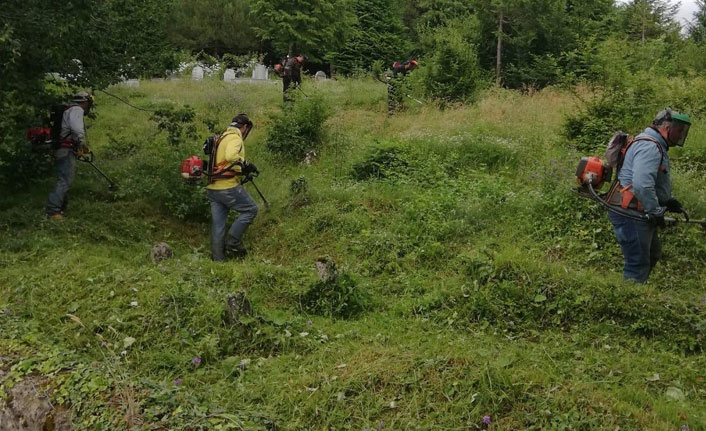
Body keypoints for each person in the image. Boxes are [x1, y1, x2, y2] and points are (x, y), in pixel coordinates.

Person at [607, 108, 691, 283]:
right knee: (637, 264)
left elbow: (653, 180)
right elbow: (642, 184)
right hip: (631, 213)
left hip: (636, 210)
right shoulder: (650, 146)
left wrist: (667, 200)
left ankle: (636, 292)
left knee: (652, 254)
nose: (682, 134)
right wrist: (655, 211)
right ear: (667, 128)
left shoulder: (654, 144)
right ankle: (629, 300)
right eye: (680, 130)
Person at [206, 114, 259, 261]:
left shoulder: (222, 137)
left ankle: (218, 260)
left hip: (213, 188)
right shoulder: (235, 138)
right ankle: (233, 242)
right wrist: (245, 163)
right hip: (227, 187)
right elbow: (230, 156)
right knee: (251, 210)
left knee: (218, 226)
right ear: (244, 127)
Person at [45, 91, 93, 220]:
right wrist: (80, 142)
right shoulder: (76, 109)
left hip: (61, 147)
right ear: (84, 102)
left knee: (64, 178)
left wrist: (80, 147)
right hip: (65, 149)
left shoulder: (67, 109)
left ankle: (61, 208)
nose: (88, 106)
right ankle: (52, 211)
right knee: (65, 180)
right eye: (88, 103)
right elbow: (77, 130)